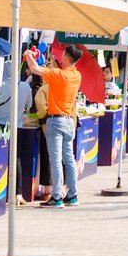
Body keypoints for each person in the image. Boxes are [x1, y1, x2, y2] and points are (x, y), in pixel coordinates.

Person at [32, 45, 82, 207]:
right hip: (69, 121)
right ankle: (72, 194)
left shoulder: (58, 75)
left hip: (56, 120)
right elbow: (59, 74)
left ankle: (57, 196)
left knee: (55, 160)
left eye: (63, 57)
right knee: (69, 158)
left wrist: (28, 55)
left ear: (66, 58)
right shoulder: (76, 75)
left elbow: (34, 68)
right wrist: (54, 63)